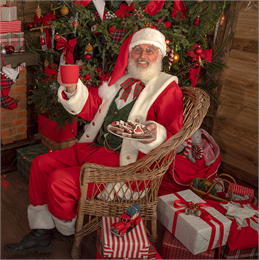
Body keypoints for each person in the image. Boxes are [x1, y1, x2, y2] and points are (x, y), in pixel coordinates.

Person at [4, 27, 184, 255]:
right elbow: (93, 108)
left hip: (125, 162)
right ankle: (41, 229)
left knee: (59, 181)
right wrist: (72, 90)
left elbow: (172, 135)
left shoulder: (168, 89)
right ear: (130, 53)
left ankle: (64, 230)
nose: (142, 55)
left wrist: (153, 133)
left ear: (160, 55)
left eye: (150, 50)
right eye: (138, 49)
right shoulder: (122, 80)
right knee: (40, 164)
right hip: (93, 147)